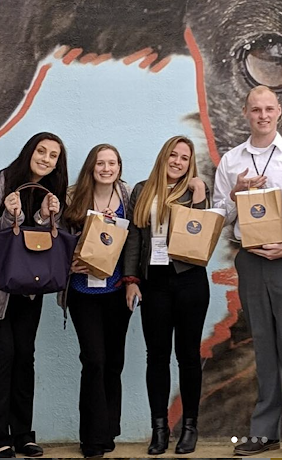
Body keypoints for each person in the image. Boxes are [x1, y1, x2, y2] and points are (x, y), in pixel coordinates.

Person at [213, 85, 282, 458]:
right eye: (255, 109)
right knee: (262, 345)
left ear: (280, 112)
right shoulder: (231, 160)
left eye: (268, 108)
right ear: (245, 112)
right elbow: (220, 215)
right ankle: (264, 432)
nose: (262, 115)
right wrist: (236, 193)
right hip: (251, 258)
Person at [0, 132, 68, 458]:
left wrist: (45, 216)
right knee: (3, 356)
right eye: (42, 151)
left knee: (25, 357)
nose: (46, 159)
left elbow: (41, 243)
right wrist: (11, 215)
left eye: (53, 156)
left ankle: (23, 435)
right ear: (30, 151)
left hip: (28, 290)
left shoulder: (49, 193)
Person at [123, 136, 210, 455]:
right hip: (154, 282)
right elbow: (133, 236)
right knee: (156, 356)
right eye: (173, 155)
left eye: (184, 158)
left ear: (190, 164)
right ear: (163, 157)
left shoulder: (197, 190)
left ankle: (190, 427)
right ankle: (159, 429)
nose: (177, 161)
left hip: (189, 280)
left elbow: (201, 235)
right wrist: (131, 279)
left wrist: (199, 200)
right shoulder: (142, 190)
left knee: (188, 356)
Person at [61, 144, 132, 458]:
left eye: (112, 163)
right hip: (83, 292)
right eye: (100, 163)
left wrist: (132, 282)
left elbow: (136, 241)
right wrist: (68, 260)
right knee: (93, 361)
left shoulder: (128, 196)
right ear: (91, 167)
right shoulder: (72, 196)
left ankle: (108, 431)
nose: (106, 168)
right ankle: (90, 437)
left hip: (117, 291)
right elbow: (56, 237)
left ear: (119, 166)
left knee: (113, 363)